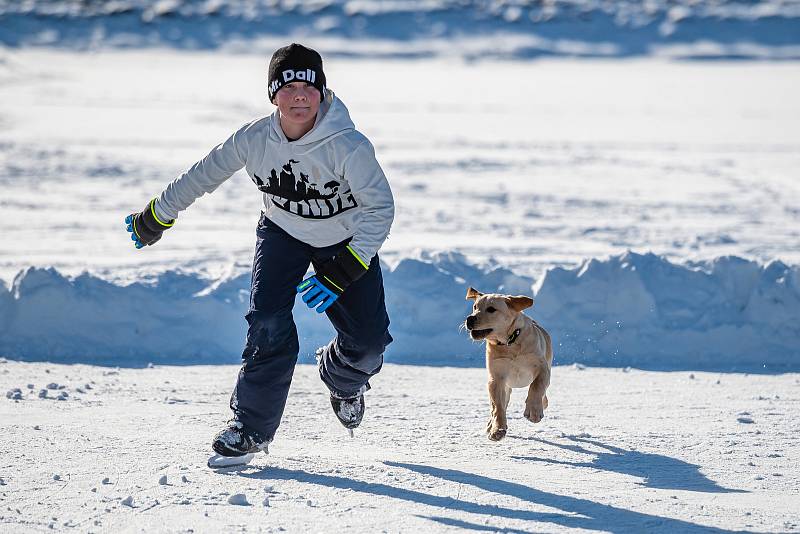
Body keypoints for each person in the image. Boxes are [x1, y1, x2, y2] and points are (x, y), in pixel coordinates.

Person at [125, 43, 394, 459]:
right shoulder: (254, 139)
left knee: (369, 343)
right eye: (288, 87)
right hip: (282, 232)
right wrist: (159, 213)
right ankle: (250, 428)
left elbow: (380, 209)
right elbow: (204, 173)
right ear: (273, 95)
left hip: (345, 241)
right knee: (267, 321)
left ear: (322, 91)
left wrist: (345, 268)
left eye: (309, 85)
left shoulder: (348, 146)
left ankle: (343, 379)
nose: (299, 95)